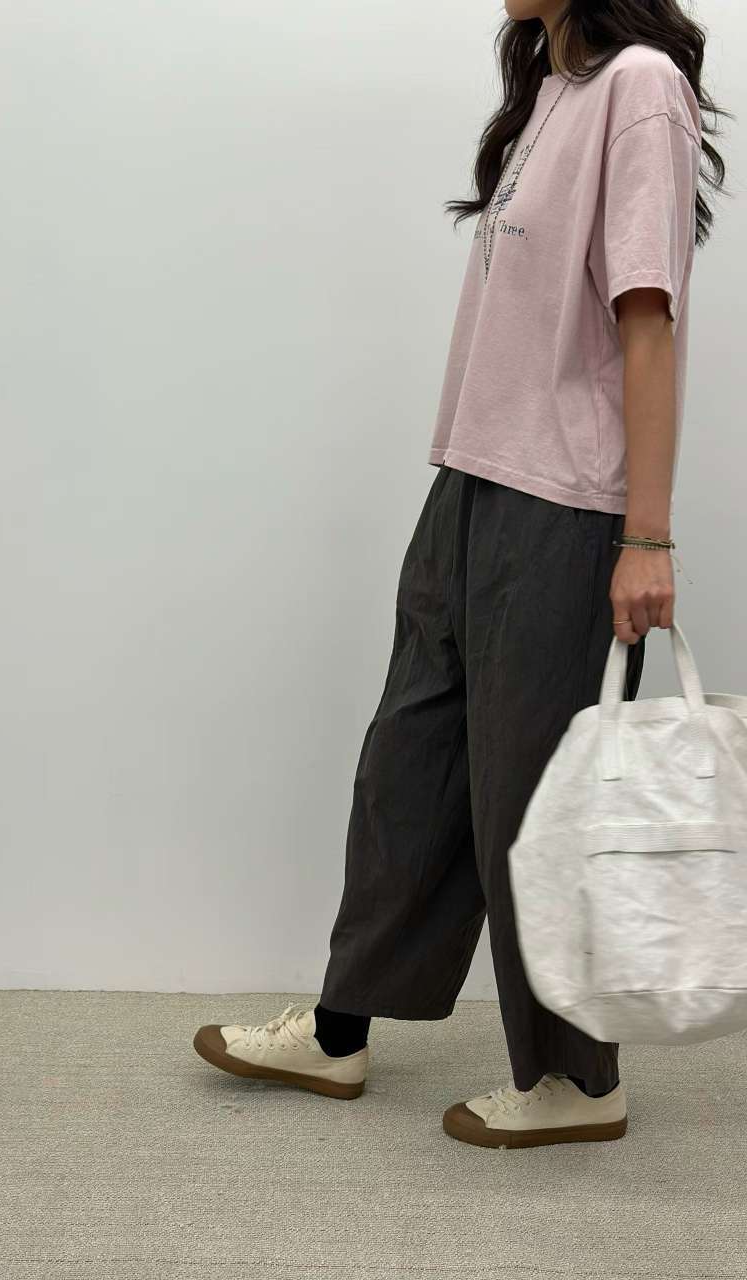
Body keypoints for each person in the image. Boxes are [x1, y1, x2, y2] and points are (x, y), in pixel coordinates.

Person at [193, 0, 728, 1148]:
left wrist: (647, 536)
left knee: (533, 798)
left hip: (565, 501)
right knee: (411, 763)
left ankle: (579, 1080)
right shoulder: (553, 89)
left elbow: (648, 320)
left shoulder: (640, 85)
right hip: (474, 480)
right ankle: (339, 1030)